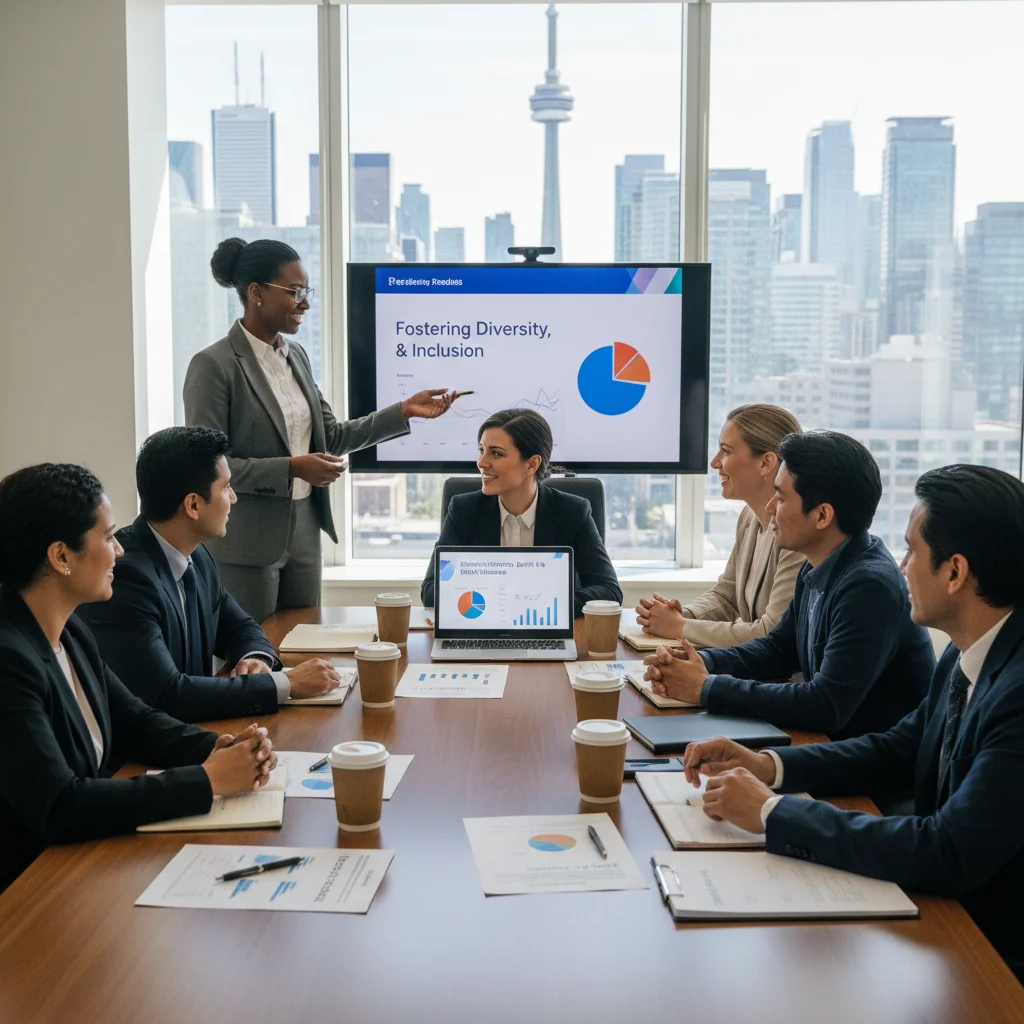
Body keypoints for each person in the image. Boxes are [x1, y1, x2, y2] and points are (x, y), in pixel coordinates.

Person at [680, 465, 1024, 981]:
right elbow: (897, 748)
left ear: (955, 572)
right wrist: (769, 765)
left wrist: (774, 814)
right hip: (949, 918)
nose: (902, 565)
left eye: (911, 551)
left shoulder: (1018, 693)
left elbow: (950, 850)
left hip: (993, 951)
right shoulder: (965, 652)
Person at [0, 463, 277, 892]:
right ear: (60, 556)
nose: (121, 551)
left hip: (86, 863)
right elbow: (60, 804)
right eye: (109, 537)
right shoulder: (8, 659)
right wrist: (208, 779)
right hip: (31, 889)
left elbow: (136, 722)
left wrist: (220, 747)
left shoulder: (70, 629)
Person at [184, 237, 462, 623]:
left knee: (306, 648)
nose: (306, 304)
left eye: (307, 292)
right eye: (295, 292)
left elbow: (331, 437)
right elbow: (207, 467)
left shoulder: (295, 356)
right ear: (256, 293)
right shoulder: (213, 365)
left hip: (305, 531)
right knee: (254, 656)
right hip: (245, 543)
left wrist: (404, 411)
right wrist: (292, 469)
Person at [644, 431, 934, 740]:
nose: (769, 508)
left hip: (866, 775)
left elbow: (825, 705)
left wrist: (706, 687)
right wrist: (701, 661)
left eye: (781, 497)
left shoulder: (869, 587)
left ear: (822, 515)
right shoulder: (818, 562)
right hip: (826, 750)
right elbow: (778, 649)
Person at [80, 427, 340, 722]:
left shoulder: (197, 555)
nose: (234, 498)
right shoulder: (126, 576)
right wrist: (286, 684)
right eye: (226, 487)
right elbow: (168, 696)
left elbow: (241, 627)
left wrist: (254, 659)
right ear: (192, 505)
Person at [420, 409, 621, 615]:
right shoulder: (464, 510)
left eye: (496, 453)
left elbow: (609, 592)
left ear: (532, 464)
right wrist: (509, 600)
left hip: (546, 630)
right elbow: (431, 591)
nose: (481, 463)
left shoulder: (572, 512)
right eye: (482, 450)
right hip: (482, 628)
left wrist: (533, 604)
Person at [636, 404, 804, 646]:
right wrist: (684, 615)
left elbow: (771, 633)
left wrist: (681, 627)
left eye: (725, 451)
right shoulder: (749, 517)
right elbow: (728, 593)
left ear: (766, 462)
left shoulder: (797, 533)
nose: (715, 462)